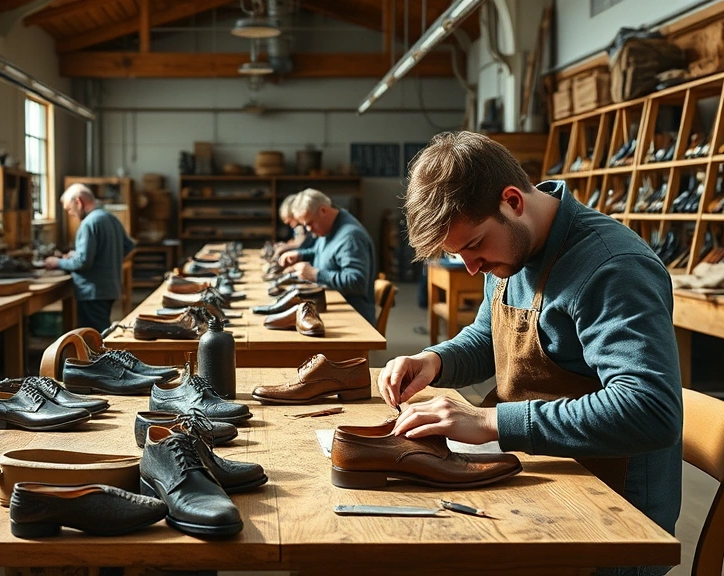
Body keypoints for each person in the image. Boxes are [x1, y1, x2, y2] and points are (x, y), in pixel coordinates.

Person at [379, 131, 681, 573]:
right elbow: (489, 338)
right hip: (538, 474)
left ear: (512, 201)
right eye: (458, 254)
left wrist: (490, 422)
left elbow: (650, 410)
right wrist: (434, 361)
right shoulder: (511, 249)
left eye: (474, 245)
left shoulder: (612, 267)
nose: (471, 267)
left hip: (612, 519)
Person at [278, 188, 376, 325]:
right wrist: (300, 255)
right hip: (334, 307)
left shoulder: (351, 237)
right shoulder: (329, 227)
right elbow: (324, 253)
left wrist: (316, 274)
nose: (308, 229)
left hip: (354, 318)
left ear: (323, 211)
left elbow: (357, 282)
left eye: (310, 223)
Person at [45, 184, 135, 332]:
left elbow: (83, 262)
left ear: (78, 202)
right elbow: (129, 246)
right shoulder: (110, 217)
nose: (71, 214)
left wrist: (57, 262)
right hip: (110, 287)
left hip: (93, 292)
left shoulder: (88, 223)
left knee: (95, 337)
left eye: (70, 209)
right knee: (101, 331)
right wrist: (107, 259)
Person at [274, 192, 315, 257]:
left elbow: (308, 247)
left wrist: (287, 247)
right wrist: (288, 245)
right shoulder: (298, 228)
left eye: (290, 221)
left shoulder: (310, 227)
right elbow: (299, 242)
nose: (291, 225)